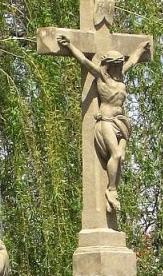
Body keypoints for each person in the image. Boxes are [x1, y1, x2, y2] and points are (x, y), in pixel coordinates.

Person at [55, 34, 147, 214]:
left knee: (121, 158)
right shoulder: (102, 77)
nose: (119, 67)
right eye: (116, 65)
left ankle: (114, 189)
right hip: (105, 121)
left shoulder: (120, 79)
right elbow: (85, 61)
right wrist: (71, 46)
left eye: (120, 65)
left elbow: (133, 61)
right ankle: (111, 189)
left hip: (121, 122)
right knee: (117, 155)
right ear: (109, 65)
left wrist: (140, 49)